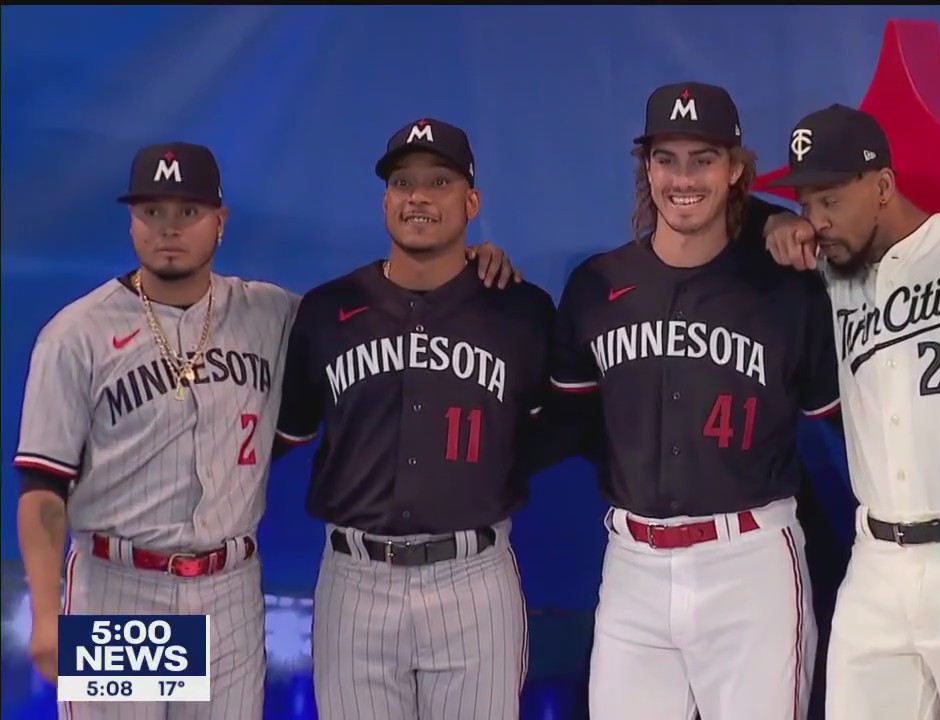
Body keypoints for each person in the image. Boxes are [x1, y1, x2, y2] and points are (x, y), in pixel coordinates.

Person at [547, 81, 843, 719]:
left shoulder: (788, 292)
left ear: (736, 169)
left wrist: (774, 219)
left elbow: (845, 422)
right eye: (666, 158)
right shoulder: (597, 286)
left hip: (751, 564)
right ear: (646, 167)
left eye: (703, 159)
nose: (683, 178)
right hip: (633, 564)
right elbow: (566, 422)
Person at [762, 104, 940, 720]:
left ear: (884, 186)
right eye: (805, 204)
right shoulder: (831, 274)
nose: (816, 222)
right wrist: (772, 228)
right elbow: (732, 225)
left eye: (831, 201)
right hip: (876, 566)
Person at [273, 116, 553, 720]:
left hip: (471, 577)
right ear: (385, 200)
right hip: (355, 578)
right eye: (402, 183)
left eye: (439, 182)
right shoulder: (326, 310)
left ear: (471, 201)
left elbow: (548, 429)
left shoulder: (521, 312)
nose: (418, 197)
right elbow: (287, 432)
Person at [12, 141, 297, 720]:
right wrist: (45, 614)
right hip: (121, 591)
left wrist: (472, 267)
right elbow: (43, 490)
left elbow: (370, 314)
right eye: (152, 212)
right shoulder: (77, 335)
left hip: (229, 589)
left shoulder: (271, 314)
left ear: (221, 221)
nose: (169, 228)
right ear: (131, 221)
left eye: (188, 212)